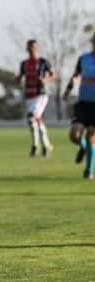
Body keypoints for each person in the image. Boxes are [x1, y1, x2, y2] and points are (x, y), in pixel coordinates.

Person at [16, 40, 57, 157]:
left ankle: (35, 146)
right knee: (36, 121)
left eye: (33, 47)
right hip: (29, 95)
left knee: (31, 117)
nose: (31, 49)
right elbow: (21, 76)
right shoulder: (24, 64)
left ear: (37, 48)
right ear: (27, 49)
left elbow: (54, 75)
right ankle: (47, 146)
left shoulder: (43, 62)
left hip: (41, 95)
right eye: (29, 47)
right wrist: (18, 78)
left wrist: (46, 80)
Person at [63, 34, 95, 179]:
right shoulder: (84, 59)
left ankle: (88, 171)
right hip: (83, 103)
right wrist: (68, 89)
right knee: (74, 135)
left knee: (90, 136)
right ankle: (83, 149)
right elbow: (76, 75)